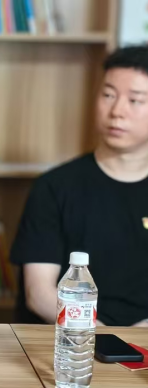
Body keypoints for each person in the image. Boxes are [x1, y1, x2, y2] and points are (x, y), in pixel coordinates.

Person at [11, 45, 148, 327]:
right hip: (73, 339)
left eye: (135, 100)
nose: (117, 111)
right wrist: (104, 338)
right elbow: (38, 294)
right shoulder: (54, 187)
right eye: (108, 95)